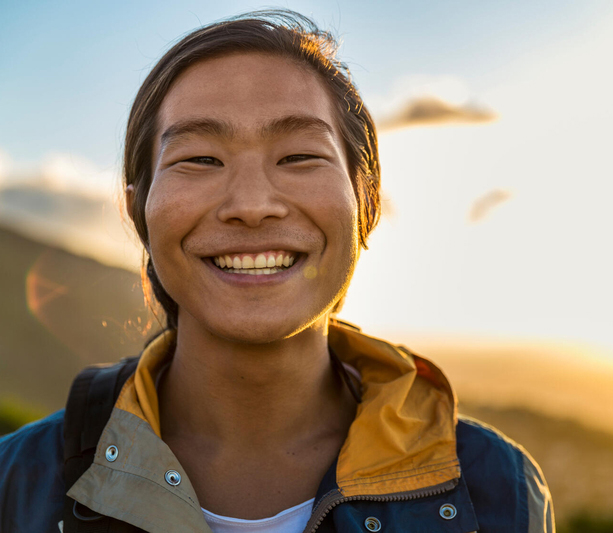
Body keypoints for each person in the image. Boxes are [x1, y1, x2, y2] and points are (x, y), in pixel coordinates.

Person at [0, 10, 554, 533]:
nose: (252, 203)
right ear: (136, 210)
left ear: (367, 201)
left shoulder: (495, 488)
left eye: (298, 156)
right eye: (199, 159)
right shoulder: (16, 483)